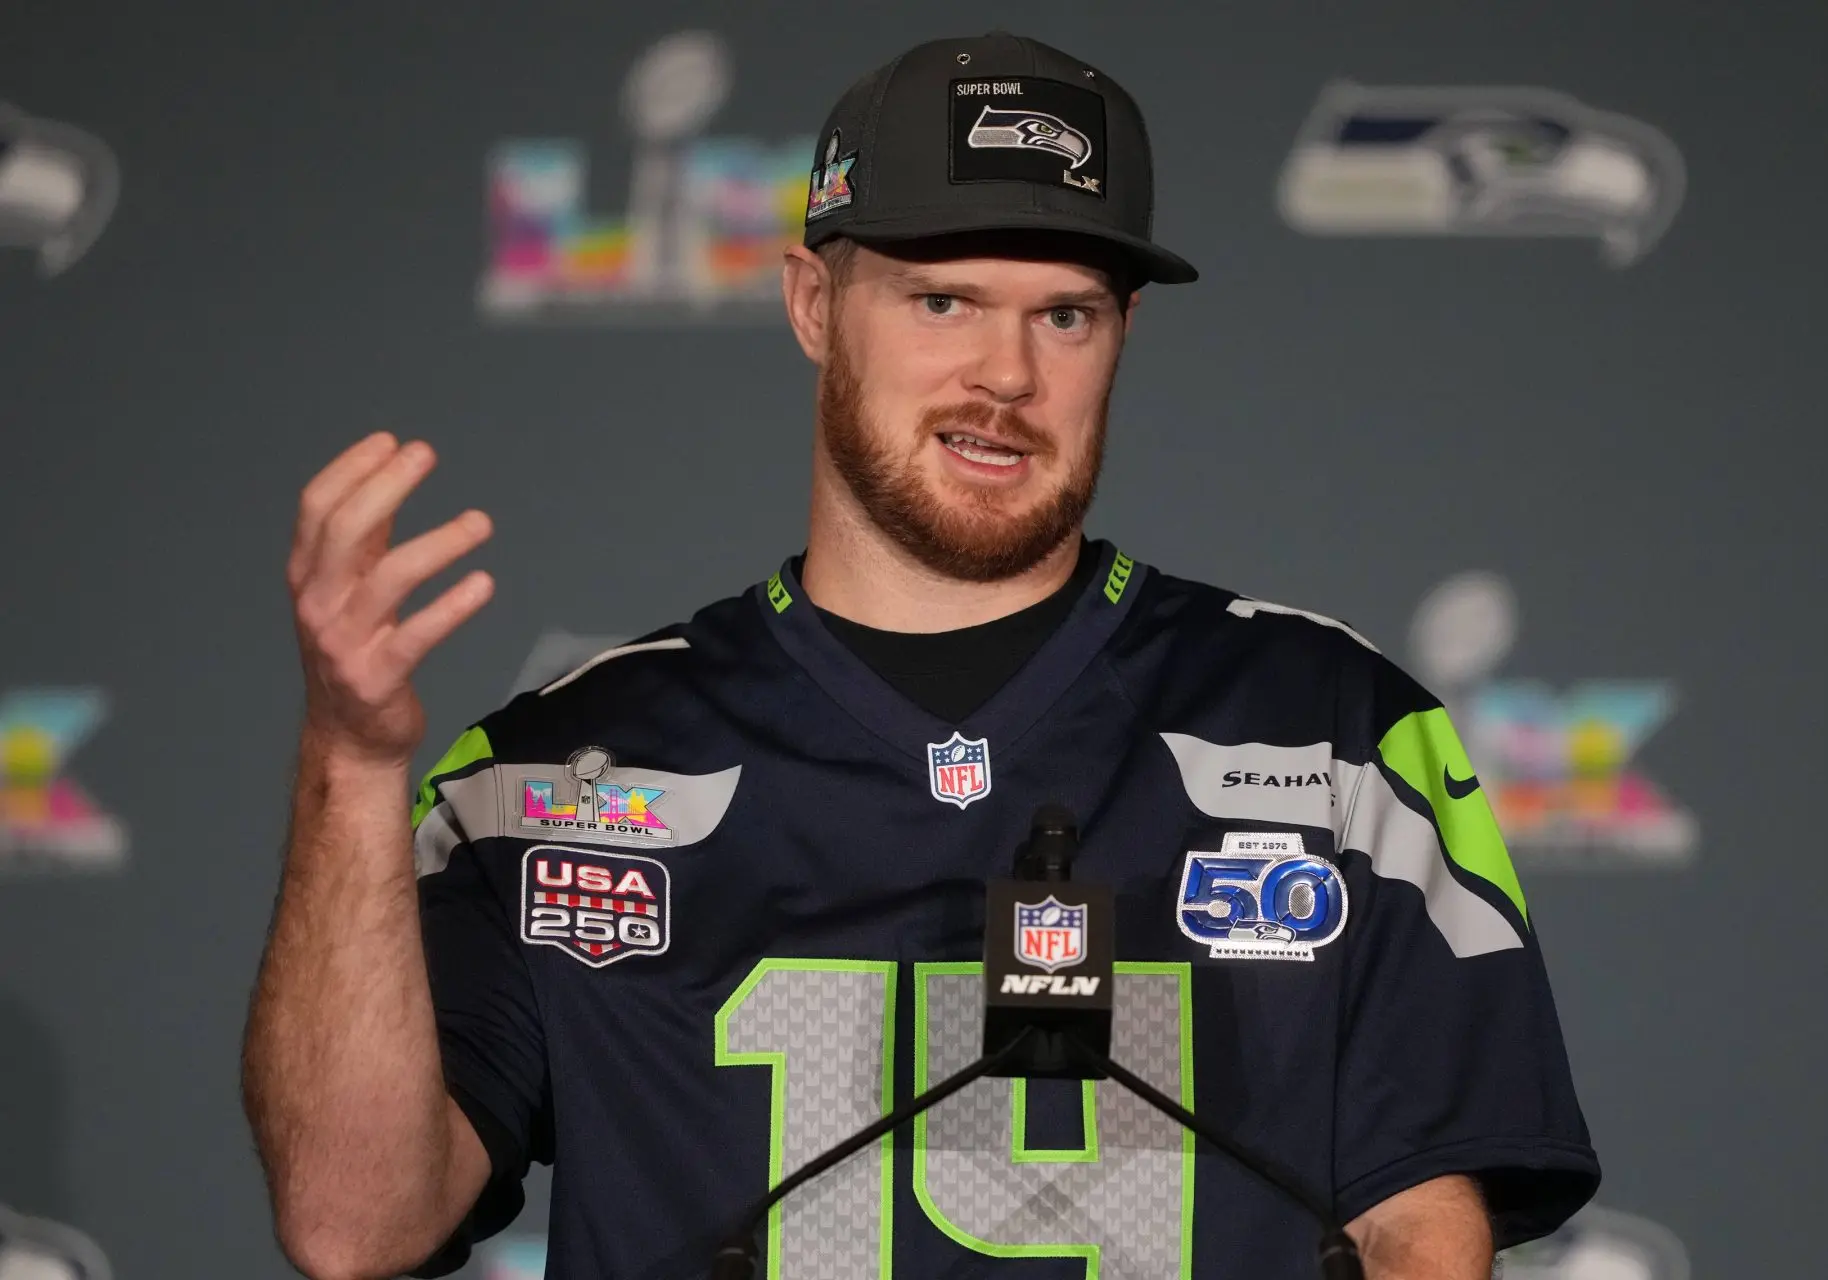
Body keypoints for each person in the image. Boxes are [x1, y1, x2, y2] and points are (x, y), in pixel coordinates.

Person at [241, 31, 1599, 1280]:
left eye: (1065, 315)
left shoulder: (1337, 735)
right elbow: (354, 1223)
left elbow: (1420, 1228)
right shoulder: (554, 773)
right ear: (812, 305)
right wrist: (351, 759)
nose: (1006, 375)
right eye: (942, 301)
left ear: (1124, 335)